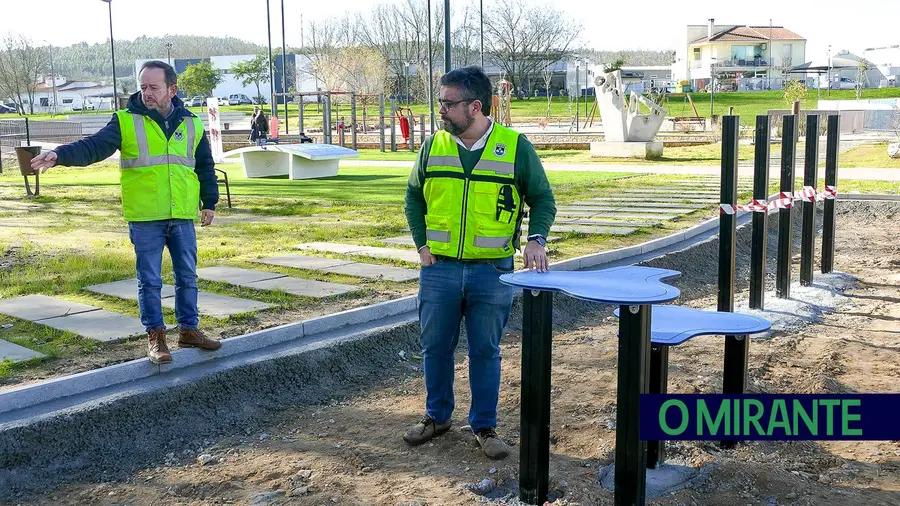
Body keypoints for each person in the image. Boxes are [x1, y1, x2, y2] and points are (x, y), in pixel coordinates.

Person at [403, 66, 557, 460]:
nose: (442, 111)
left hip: (493, 272)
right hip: (439, 269)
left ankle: (484, 426)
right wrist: (422, 245)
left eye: (448, 104)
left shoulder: (515, 147)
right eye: (440, 103)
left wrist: (536, 239)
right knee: (434, 347)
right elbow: (413, 198)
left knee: (485, 351)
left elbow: (542, 199)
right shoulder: (433, 146)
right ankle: (436, 417)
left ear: (475, 106)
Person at [30, 60, 221, 365]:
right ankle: (156, 337)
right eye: (143, 86)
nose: (146, 93)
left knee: (187, 275)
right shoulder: (125, 121)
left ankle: (189, 329)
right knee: (150, 279)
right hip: (146, 216)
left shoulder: (192, 123)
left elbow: (204, 166)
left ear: (171, 89)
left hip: (182, 214)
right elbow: (93, 147)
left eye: (153, 87)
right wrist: (60, 155)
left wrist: (209, 202)